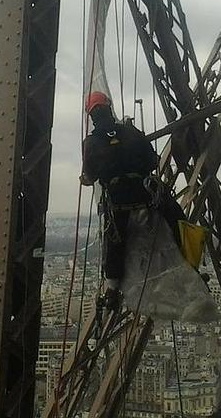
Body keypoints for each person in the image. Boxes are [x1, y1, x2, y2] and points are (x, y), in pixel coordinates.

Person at [81, 91, 162, 311]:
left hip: (118, 204)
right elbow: (153, 160)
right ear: (109, 106)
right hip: (146, 197)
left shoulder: (91, 143)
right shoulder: (131, 132)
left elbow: (90, 175)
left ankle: (112, 290)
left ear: (91, 115)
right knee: (173, 217)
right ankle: (190, 263)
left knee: (115, 244)